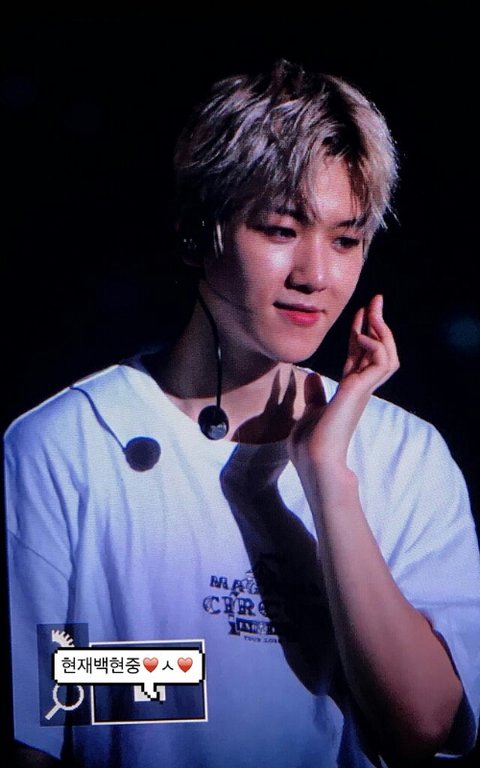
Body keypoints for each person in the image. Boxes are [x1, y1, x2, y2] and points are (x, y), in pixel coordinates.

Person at [5, 59, 480, 768]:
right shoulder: (64, 446)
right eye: (281, 229)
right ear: (198, 230)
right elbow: (35, 730)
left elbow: (423, 727)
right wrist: (160, 675)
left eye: (346, 240)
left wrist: (328, 480)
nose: (315, 275)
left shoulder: (406, 455)